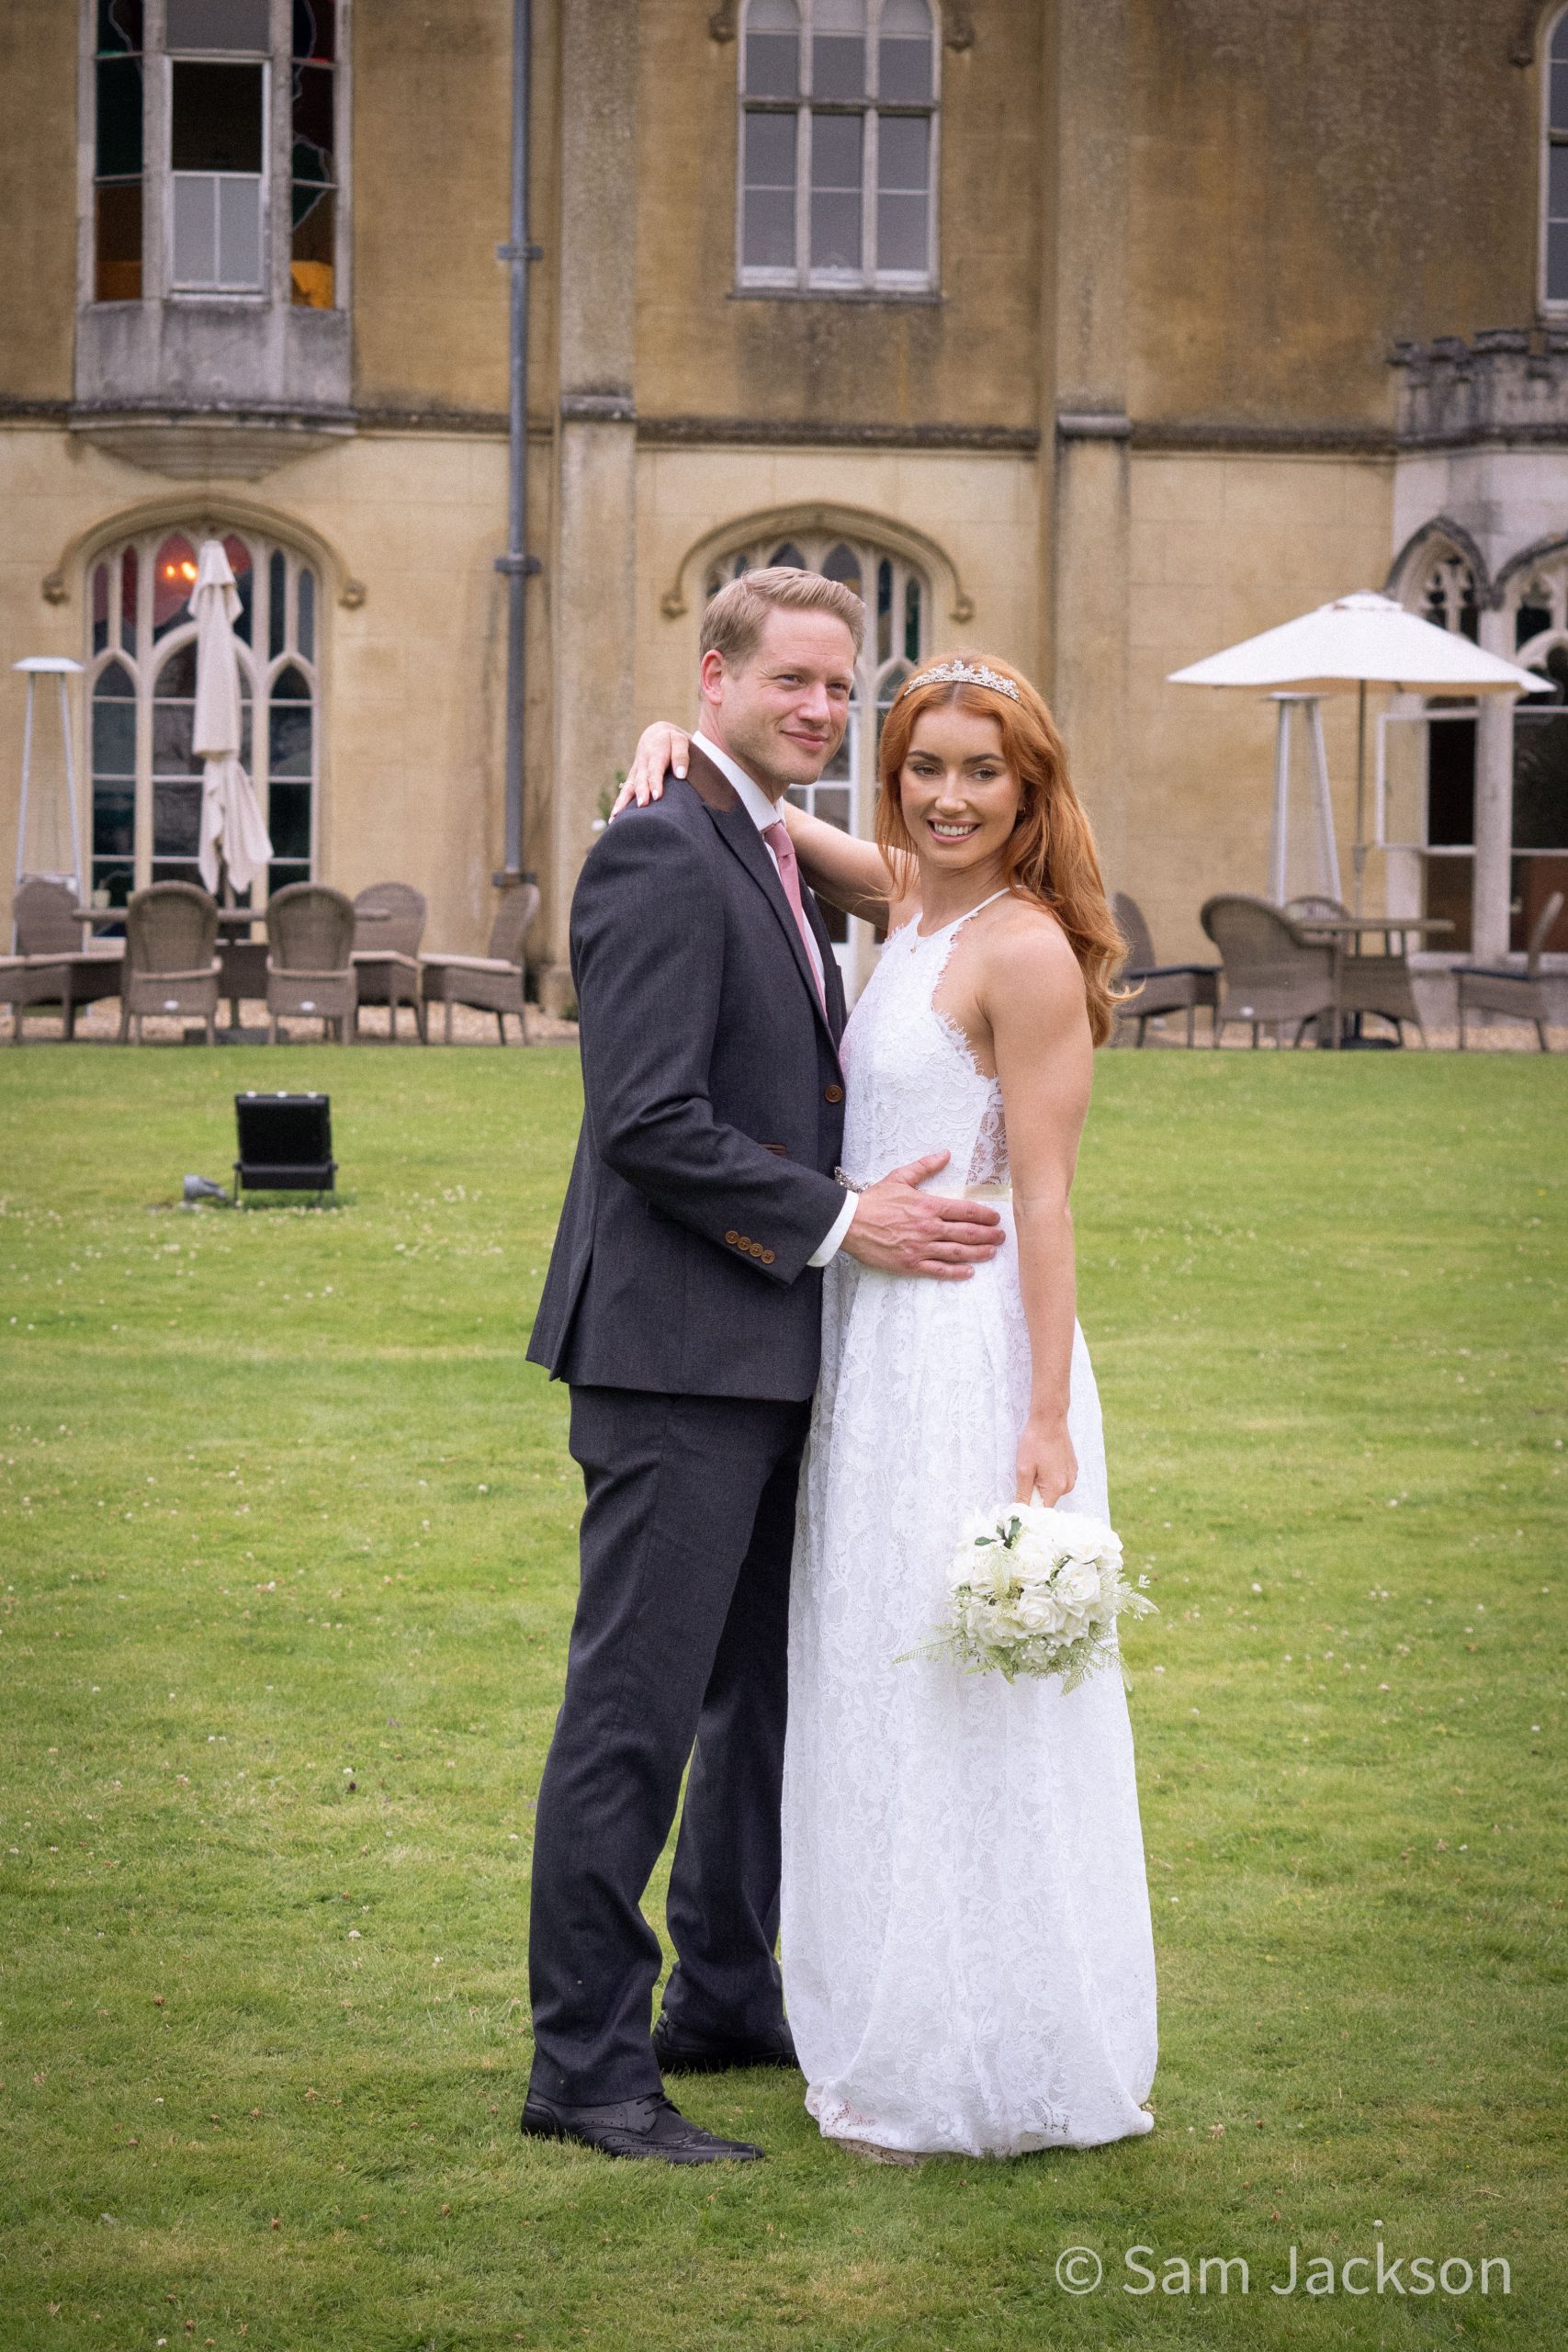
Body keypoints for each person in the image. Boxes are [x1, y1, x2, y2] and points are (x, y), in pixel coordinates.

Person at [616, 650, 1158, 2161]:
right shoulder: (909, 899)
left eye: (985, 772)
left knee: (958, 1694)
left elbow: (1046, 1203)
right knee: (864, 1678)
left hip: (968, 1353)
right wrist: (675, 735)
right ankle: (888, 2014)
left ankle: (981, 2053)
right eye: (926, 767)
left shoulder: (1024, 949)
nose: (950, 796)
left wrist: (1044, 1417)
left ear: (1032, 790)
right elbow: (758, 815)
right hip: (864, 1339)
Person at [521, 570, 1005, 2166]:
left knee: (758, 1705)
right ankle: (586, 2069)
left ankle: (727, 1994)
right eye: (790, 679)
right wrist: (845, 1219)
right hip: (674, 1356)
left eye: (839, 687)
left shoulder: (764, 841)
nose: (821, 707)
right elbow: (648, 1120)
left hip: (773, 1355)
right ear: (715, 676)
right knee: (634, 1715)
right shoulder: (662, 847)